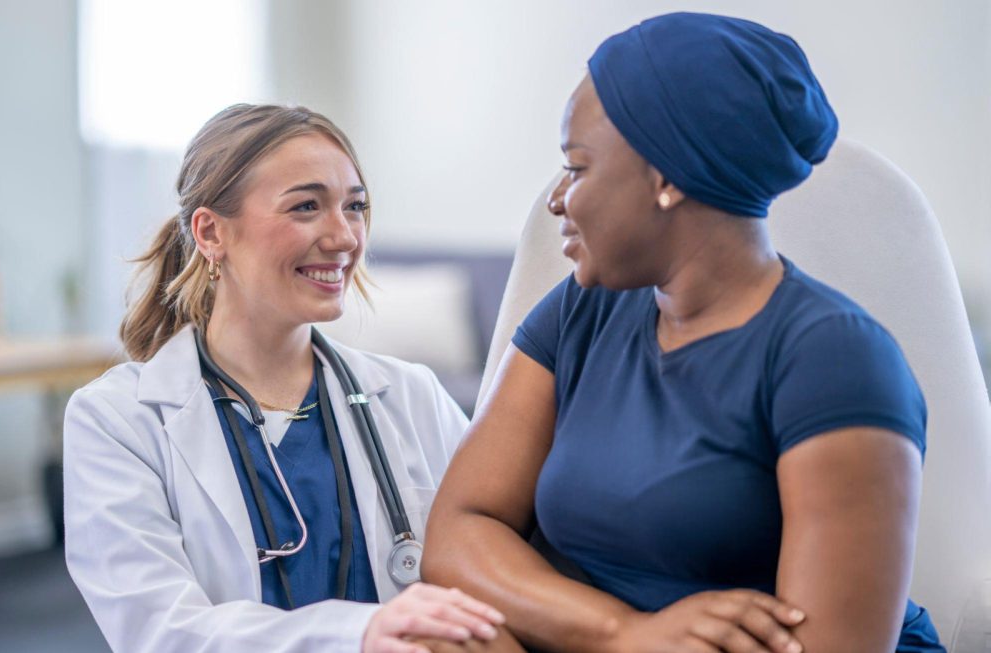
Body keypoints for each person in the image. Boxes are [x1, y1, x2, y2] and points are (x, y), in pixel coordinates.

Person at [423, 13, 945, 653]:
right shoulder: (582, 311)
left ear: (667, 177)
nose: (558, 198)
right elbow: (459, 530)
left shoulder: (836, 360)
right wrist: (623, 632)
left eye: (578, 167)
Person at [63, 104, 509, 653]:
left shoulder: (411, 395)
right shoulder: (117, 421)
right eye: (306, 206)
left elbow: (489, 560)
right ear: (211, 232)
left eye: (355, 207)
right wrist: (358, 633)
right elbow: (159, 630)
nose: (344, 237)